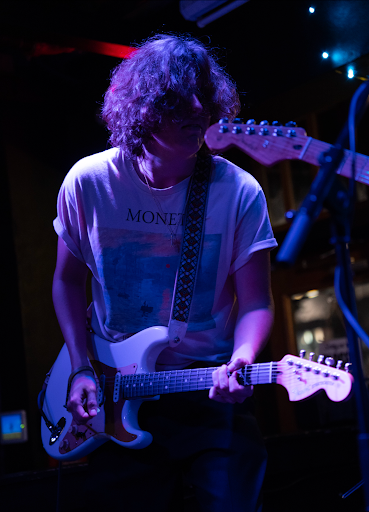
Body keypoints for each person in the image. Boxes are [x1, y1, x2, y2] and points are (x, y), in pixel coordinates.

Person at [52, 34, 277, 512]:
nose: (198, 107)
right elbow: (67, 281)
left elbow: (256, 301)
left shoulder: (237, 190)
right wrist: (79, 367)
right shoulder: (88, 182)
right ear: (143, 109)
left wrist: (242, 357)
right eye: (179, 98)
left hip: (209, 391)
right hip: (115, 391)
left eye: (203, 94)